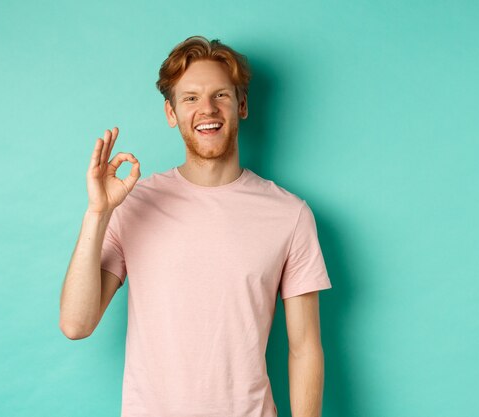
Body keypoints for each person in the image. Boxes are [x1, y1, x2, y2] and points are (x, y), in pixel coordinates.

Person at [59, 35, 332, 417]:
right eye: (190, 98)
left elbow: (304, 347)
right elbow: (76, 322)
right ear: (171, 113)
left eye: (220, 95)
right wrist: (97, 213)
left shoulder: (289, 214)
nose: (207, 109)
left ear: (242, 105)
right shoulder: (134, 204)